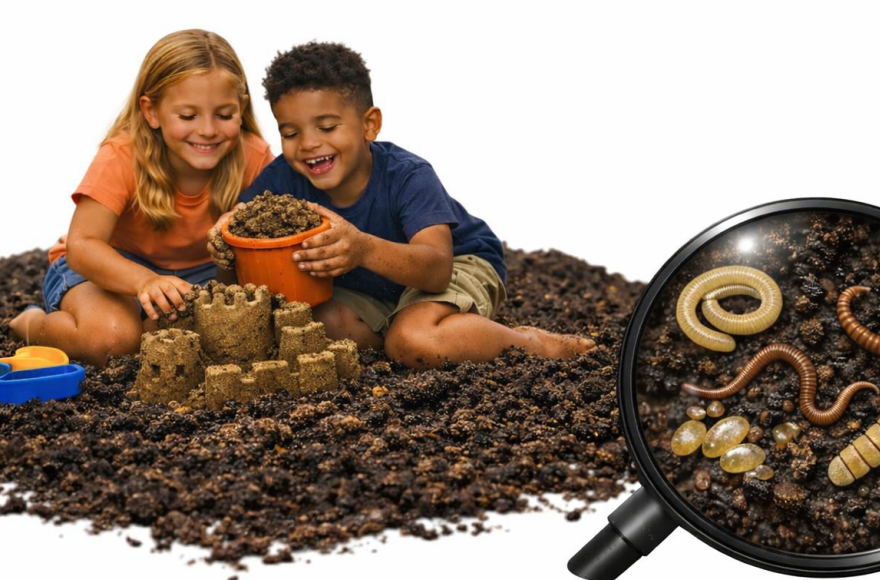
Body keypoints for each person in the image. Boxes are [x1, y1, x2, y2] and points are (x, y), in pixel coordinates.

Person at [209, 41, 594, 369]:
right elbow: (241, 250)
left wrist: (361, 248)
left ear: (369, 125)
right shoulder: (282, 181)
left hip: (457, 262)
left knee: (412, 343)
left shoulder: (407, 175)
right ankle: (414, 328)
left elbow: (436, 269)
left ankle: (533, 344)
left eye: (327, 127)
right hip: (368, 286)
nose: (308, 143)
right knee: (311, 328)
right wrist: (227, 244)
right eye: (290, 132)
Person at [8, 30, 276, 367]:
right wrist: (144, 281)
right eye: (188, 116)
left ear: (241, 108)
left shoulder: (253, 156)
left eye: (224, 115)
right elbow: (82, 245)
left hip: (198, 276)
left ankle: (144, 323)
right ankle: (30, 323)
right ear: (151, 112)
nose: (208, 130)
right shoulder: (122, 156)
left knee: (194, 338)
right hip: (106, 269)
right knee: (113, 340)